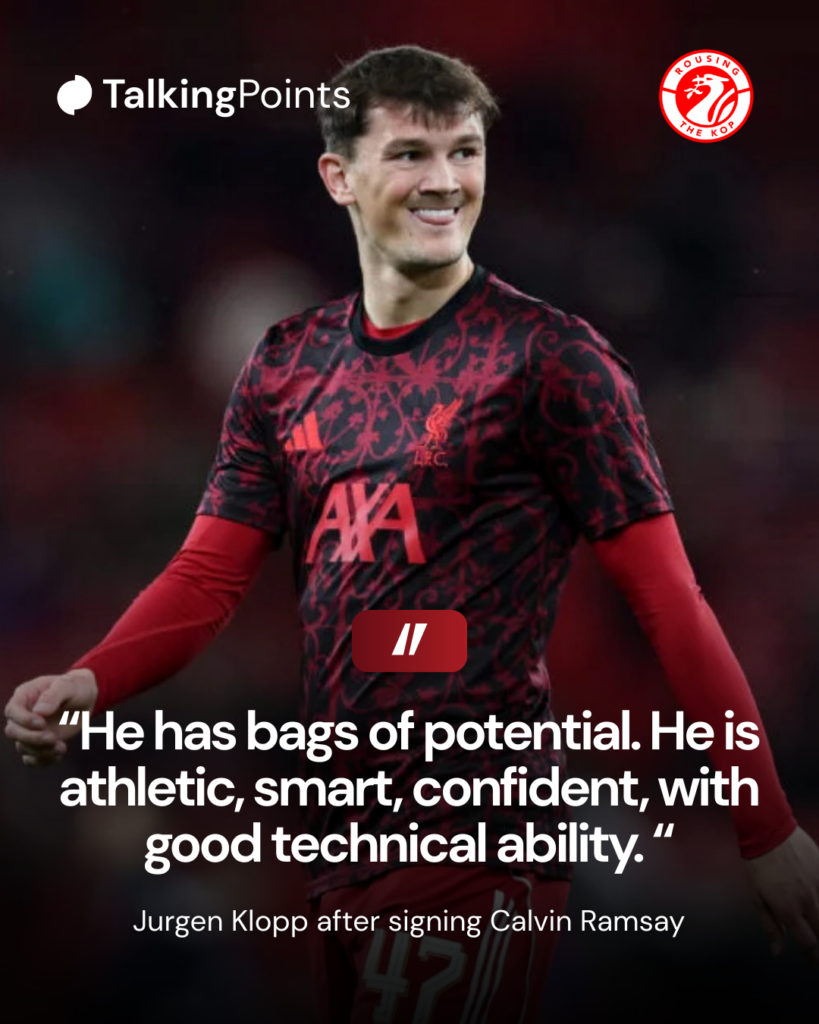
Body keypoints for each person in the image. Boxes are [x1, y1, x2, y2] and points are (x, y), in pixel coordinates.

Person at [5, 44, 819, 1023]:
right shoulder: (285, 366)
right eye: (408, 154)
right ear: (340, 175)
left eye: (463, 153)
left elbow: (668, 600)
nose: (441, 181)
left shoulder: (553, 363)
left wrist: (765, 826)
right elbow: (208, 575)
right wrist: (92, 678)